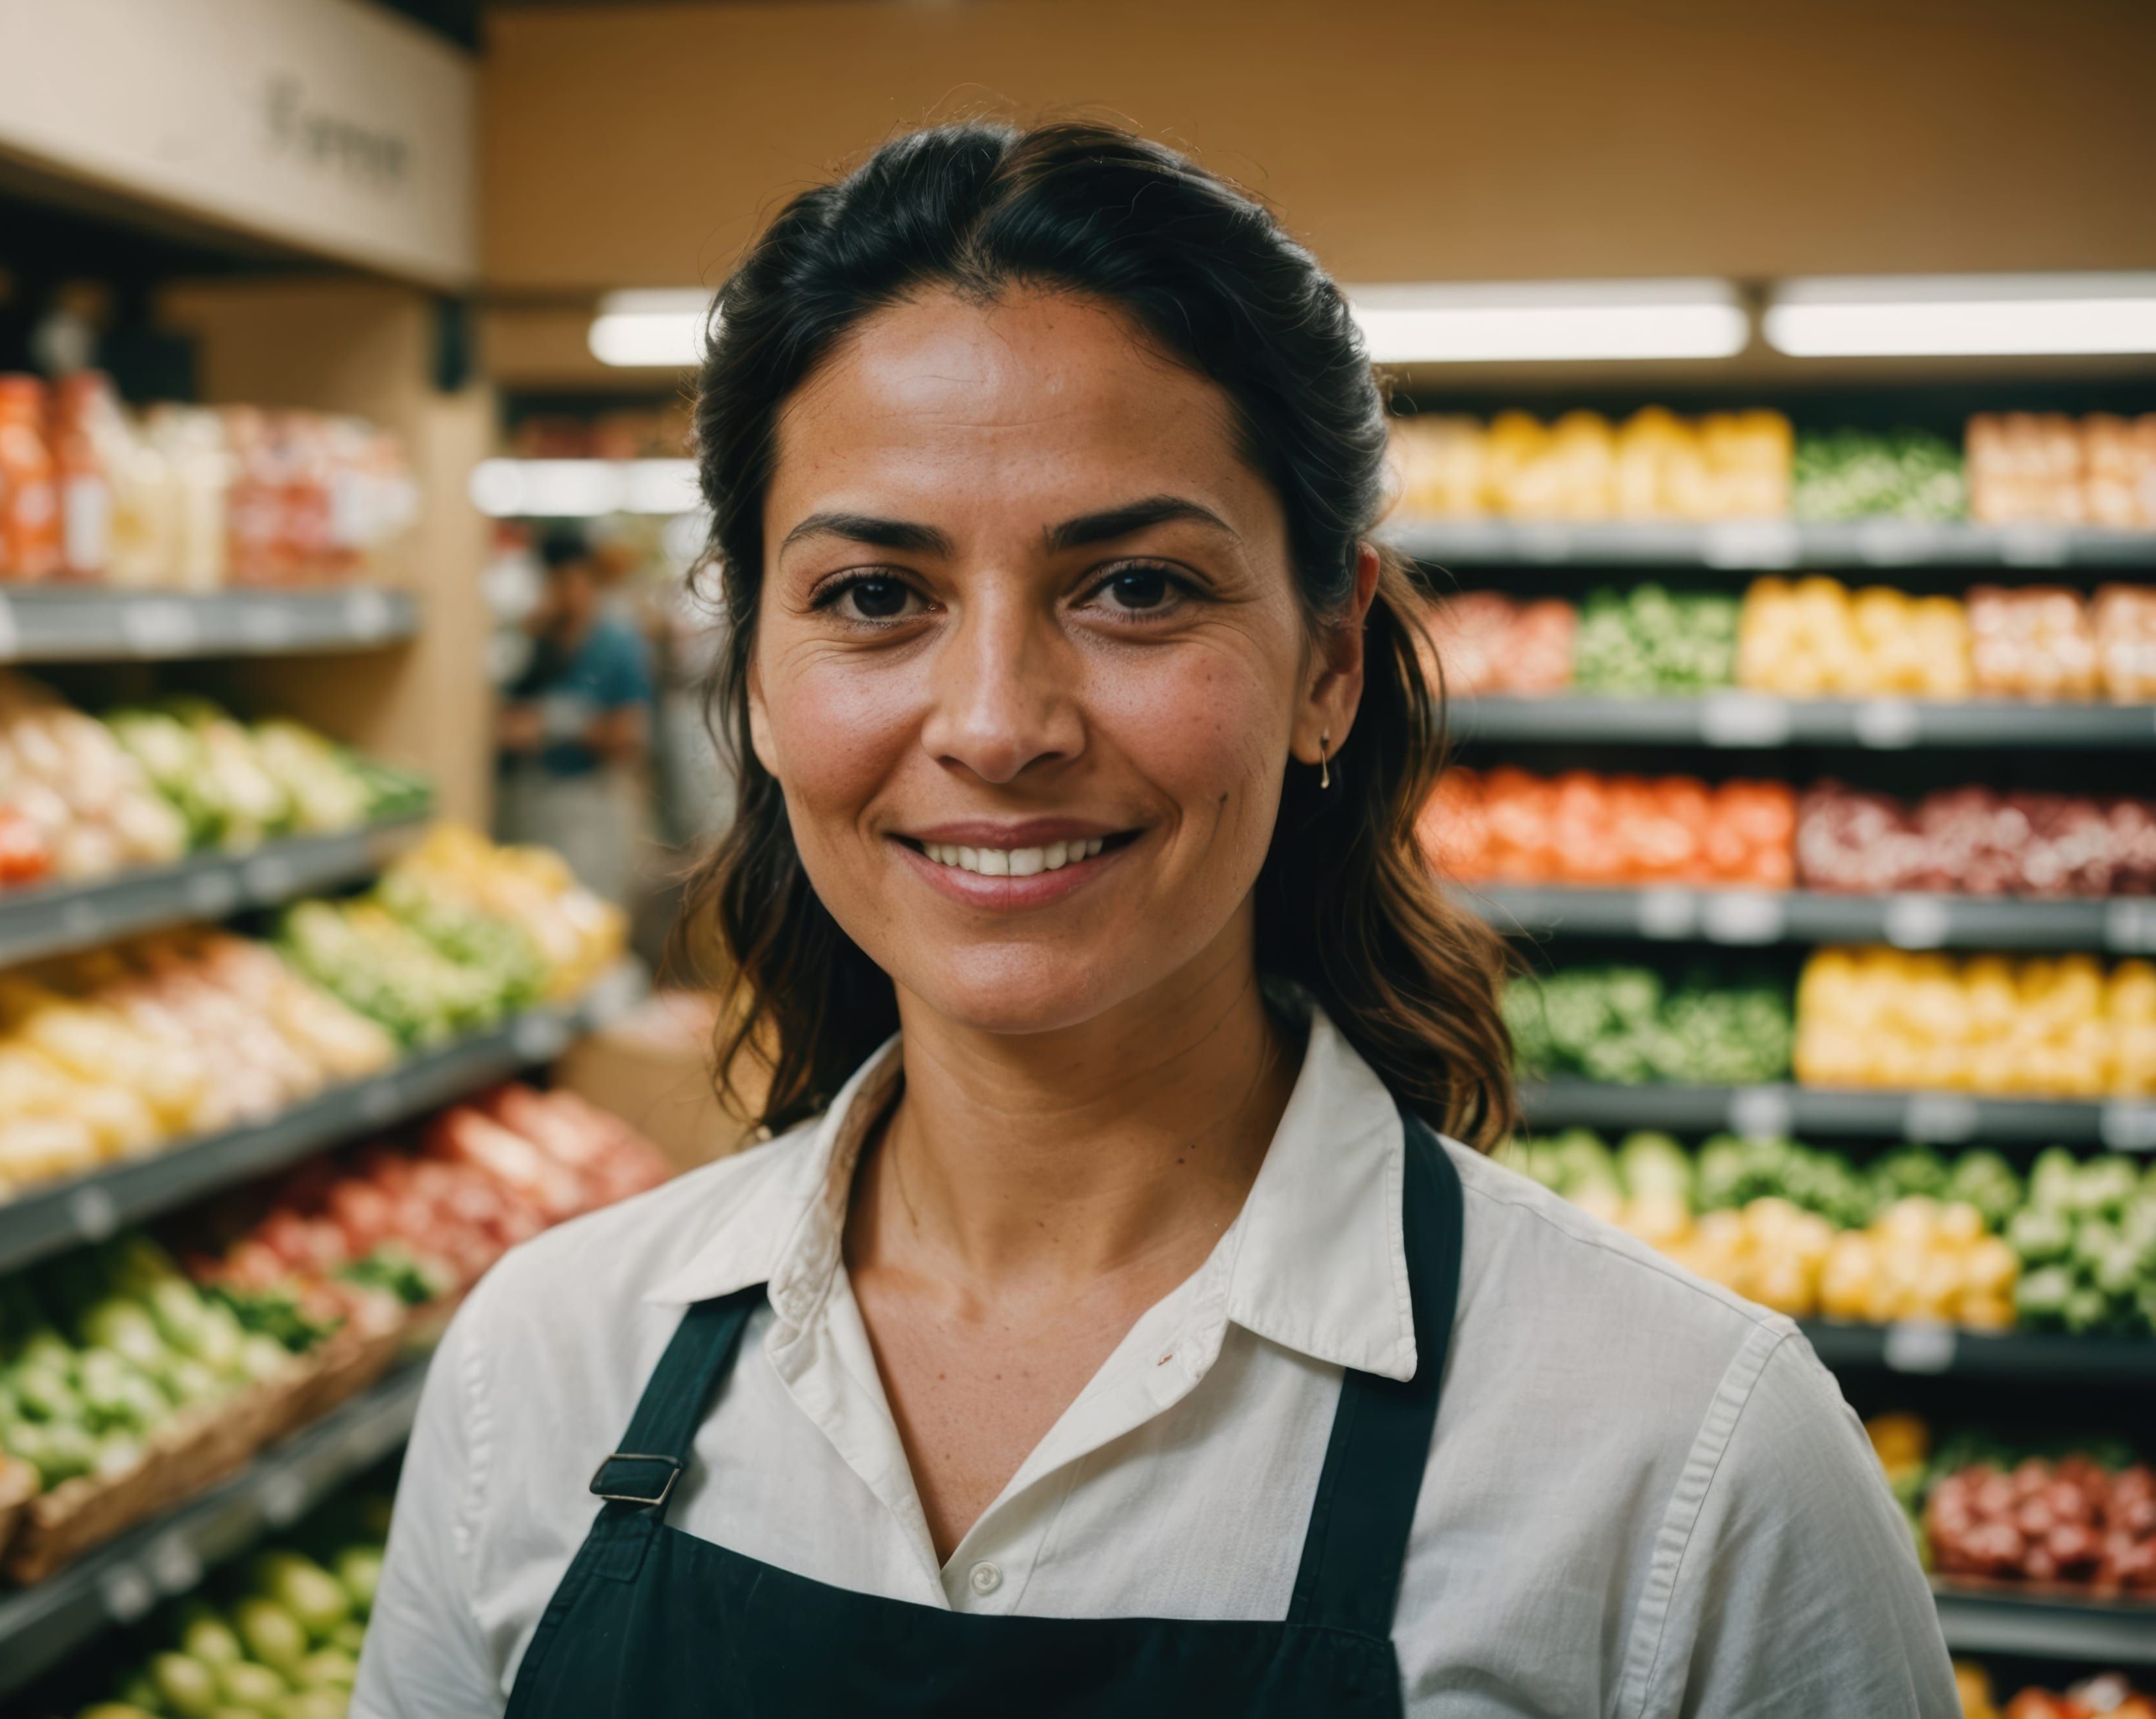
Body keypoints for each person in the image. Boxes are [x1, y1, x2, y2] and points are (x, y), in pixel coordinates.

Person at [358, 122, 1951, 1716]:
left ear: (1329, 661)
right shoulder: (546, 1369)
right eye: (871, 596)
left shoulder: (1685, 1461)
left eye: (1134, 588)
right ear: (759, 676)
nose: (997, 723)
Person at [491, 527, 652, 908]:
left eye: (571, 580)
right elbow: (499, 721)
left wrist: (553, 727)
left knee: (588, 910)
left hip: (589, 805)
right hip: (529, 802)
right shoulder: (532, 643)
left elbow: (630, 735)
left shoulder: (617, 645)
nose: (563, 593)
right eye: (553, 582)